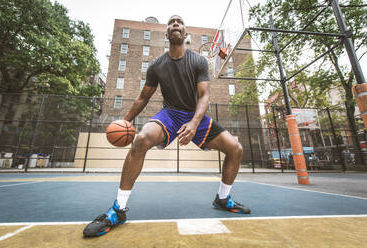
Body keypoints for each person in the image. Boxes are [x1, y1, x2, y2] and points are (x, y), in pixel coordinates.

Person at [83, 15, 251, 238]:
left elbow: (204, 96)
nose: (175, 24)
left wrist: (194, 122)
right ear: (166, 33)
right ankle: (118, 209)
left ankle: (223, 198)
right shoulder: (157, 66)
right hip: (170, 114)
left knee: (235, 148)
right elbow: (143, 98)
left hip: (195, 115)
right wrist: (125, 121)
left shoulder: (198, 61)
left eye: (179, 22)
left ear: (185, 32)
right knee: (141, 140)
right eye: (171, 22)